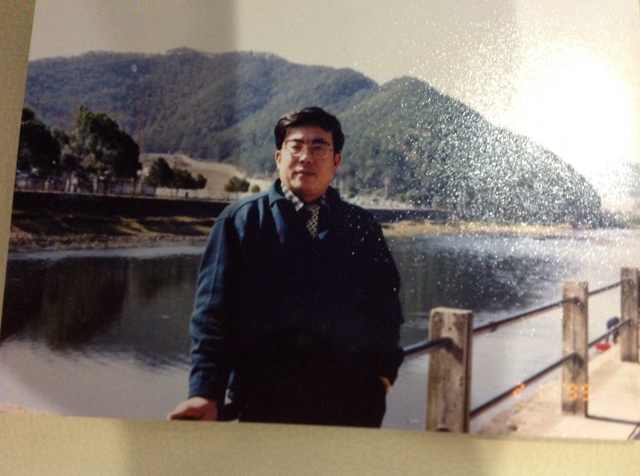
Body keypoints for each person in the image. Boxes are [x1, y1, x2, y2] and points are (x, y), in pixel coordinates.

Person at [168, 107, 404, 427]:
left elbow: (386, 308)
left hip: (353, 407)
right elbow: (212, 315)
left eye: (319, 147)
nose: (306, 157)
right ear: (279, 157)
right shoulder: (241, 221)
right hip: (264, 406)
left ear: (336, 161)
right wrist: (205, 392)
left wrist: (384, 376)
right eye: (296, 146)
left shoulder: (362, 226)